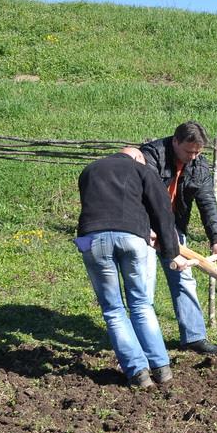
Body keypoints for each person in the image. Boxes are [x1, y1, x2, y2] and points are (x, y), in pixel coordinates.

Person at [77, 147, 192, 388]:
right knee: (140, 304)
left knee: (113, 310)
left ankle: (138, 373)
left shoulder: (89, 171)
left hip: (92, 240)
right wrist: (172, 252)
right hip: (131, 240)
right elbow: (162, 211)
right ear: (138, 158)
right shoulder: (140, 170)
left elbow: (98, 207)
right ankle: (161, 369)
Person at [140, 121, 217, 356]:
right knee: (145, 283)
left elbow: (207, 201)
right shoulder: (151, 156)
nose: (193, 156)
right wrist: (148, 229)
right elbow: (141, 194)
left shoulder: (198, 164)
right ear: (175, 141)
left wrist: (216, 238)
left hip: (172, 227)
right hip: (145, 228)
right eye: (189, 151)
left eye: (198, 152)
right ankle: (145, 342)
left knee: (184, 279)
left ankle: (194, 337)